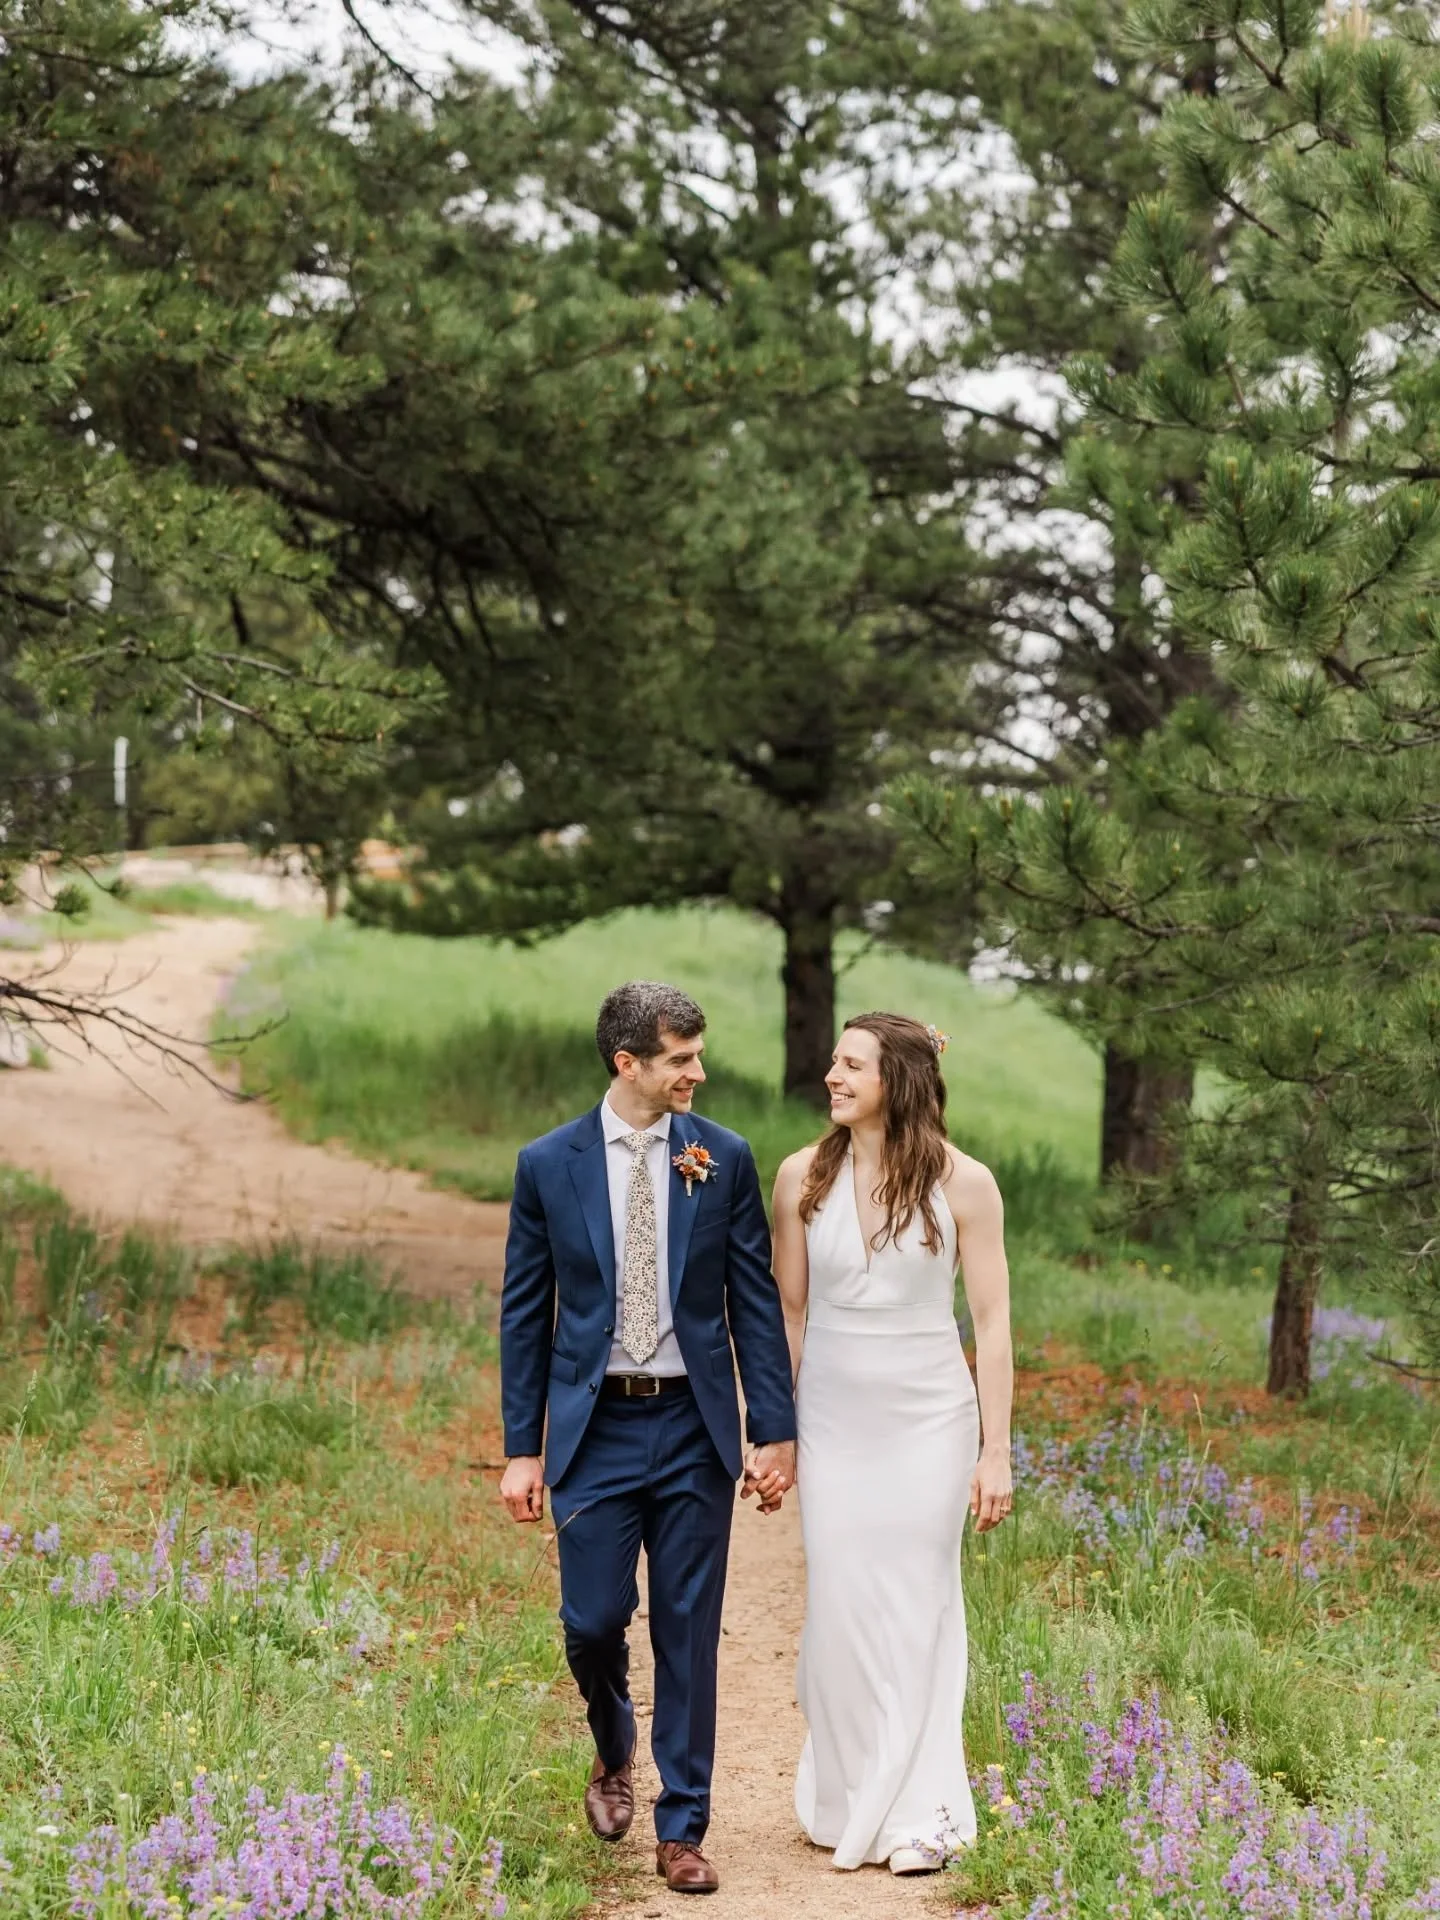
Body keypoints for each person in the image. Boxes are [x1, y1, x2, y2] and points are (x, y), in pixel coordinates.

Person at [498, 981, 797, 1895]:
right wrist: (523, 1445)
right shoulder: (549, 1163)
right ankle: (612, 1741)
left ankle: (683, 1827)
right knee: (591, 1624)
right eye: (681, 1058)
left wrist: (774, 1429)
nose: (697, 1073)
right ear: (627, 1063)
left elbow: (753, 1298)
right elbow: (524, 1311)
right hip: (596, 1429)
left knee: (688, 1630)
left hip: (691, 1427)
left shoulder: (724, 1157)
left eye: (698, 1055)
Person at [771, 1011, 1014, 1875]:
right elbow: (790, 1315)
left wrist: (996, 1450)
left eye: (850, 1065)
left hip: (930, 1421)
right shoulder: (801, 1177)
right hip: (835, 1416)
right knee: (840, 1602)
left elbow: (989, 1323)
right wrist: (775, 1433)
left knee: (916, 1603)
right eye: (834, 1064)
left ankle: (924, 1813)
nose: (832, 1077)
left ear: (897, 1081)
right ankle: (843, 1794)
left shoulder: (967, 1185)